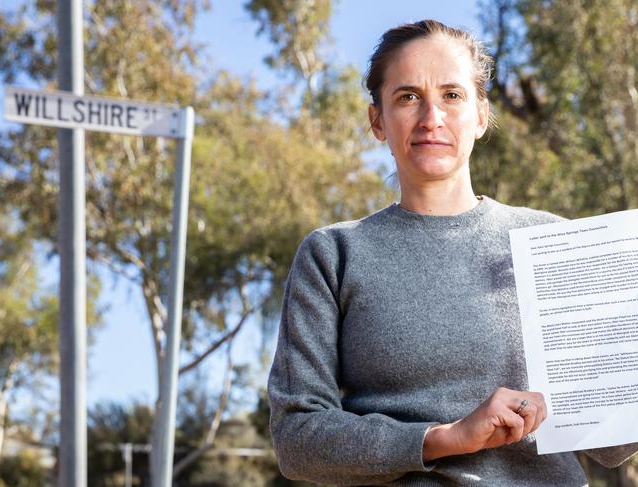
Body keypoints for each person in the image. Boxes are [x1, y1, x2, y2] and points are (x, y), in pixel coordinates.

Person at [267, 20, 638, 486]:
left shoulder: (556, 243)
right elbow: (298, 440)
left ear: (481, 115)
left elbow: (613, 443)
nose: (431, 118)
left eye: (452, 95)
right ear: (376, 120)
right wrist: (446, 437)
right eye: (407, 97)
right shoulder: (333, 255)